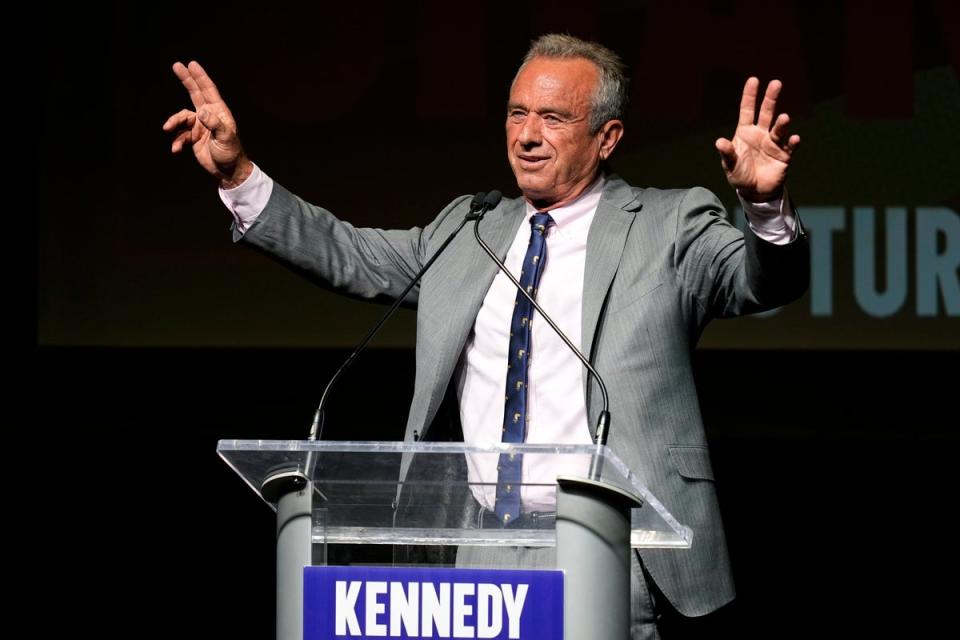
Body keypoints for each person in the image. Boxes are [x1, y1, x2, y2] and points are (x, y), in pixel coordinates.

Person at [165, 34, 807, 639]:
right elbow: (351, 253)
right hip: (476, 549)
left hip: (613, 542)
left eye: (553, 118)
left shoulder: (670, 223)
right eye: (517, 113)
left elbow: (758, 280)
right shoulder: (466, 229)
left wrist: (764, 210)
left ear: (606, 137)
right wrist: (238, 175)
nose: (527, 134)